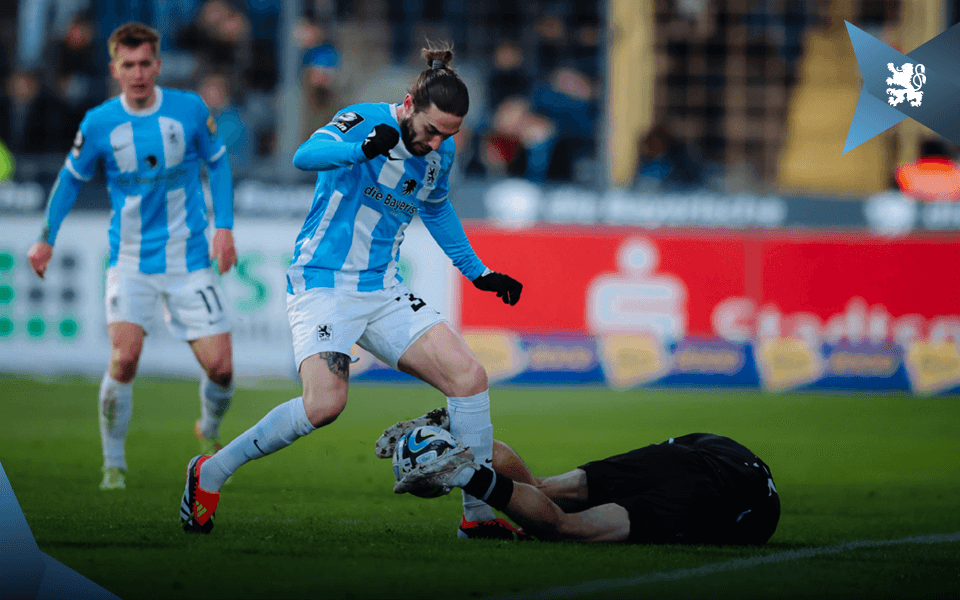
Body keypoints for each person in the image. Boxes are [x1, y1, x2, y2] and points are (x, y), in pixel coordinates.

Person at [179, 42, 524, 539]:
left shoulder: (439, 153)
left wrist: (478, 271)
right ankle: (208, 472)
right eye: (430, 131)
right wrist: (358, 149)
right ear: (408, 105)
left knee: (469, 378)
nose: (434, 144)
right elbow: (305, 155)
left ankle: (477, 517)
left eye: (448, 136)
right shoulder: (363, 120)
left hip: (383, 288)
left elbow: (436, 207)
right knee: (324, 405)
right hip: (323, 282)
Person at [26, 22, 238, 491]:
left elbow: (219, 162)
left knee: (222, 369)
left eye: (146, 64)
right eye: (129, 65)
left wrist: (224, 226)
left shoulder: (189, 110)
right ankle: (113, 465)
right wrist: (46, 237)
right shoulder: (99, 123)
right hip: (131, 262)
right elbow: (69, 180)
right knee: (124, 360)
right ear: (114, 69)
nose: (138, 73)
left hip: (190, 261)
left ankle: (208, 426)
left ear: (158, 66)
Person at [390, 408, 780, 545]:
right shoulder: (750, 514)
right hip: (728, 484)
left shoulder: (704, 490)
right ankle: (461, 462)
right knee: (564, 526)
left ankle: (461, 441)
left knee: (552, 503)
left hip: (699, 455)